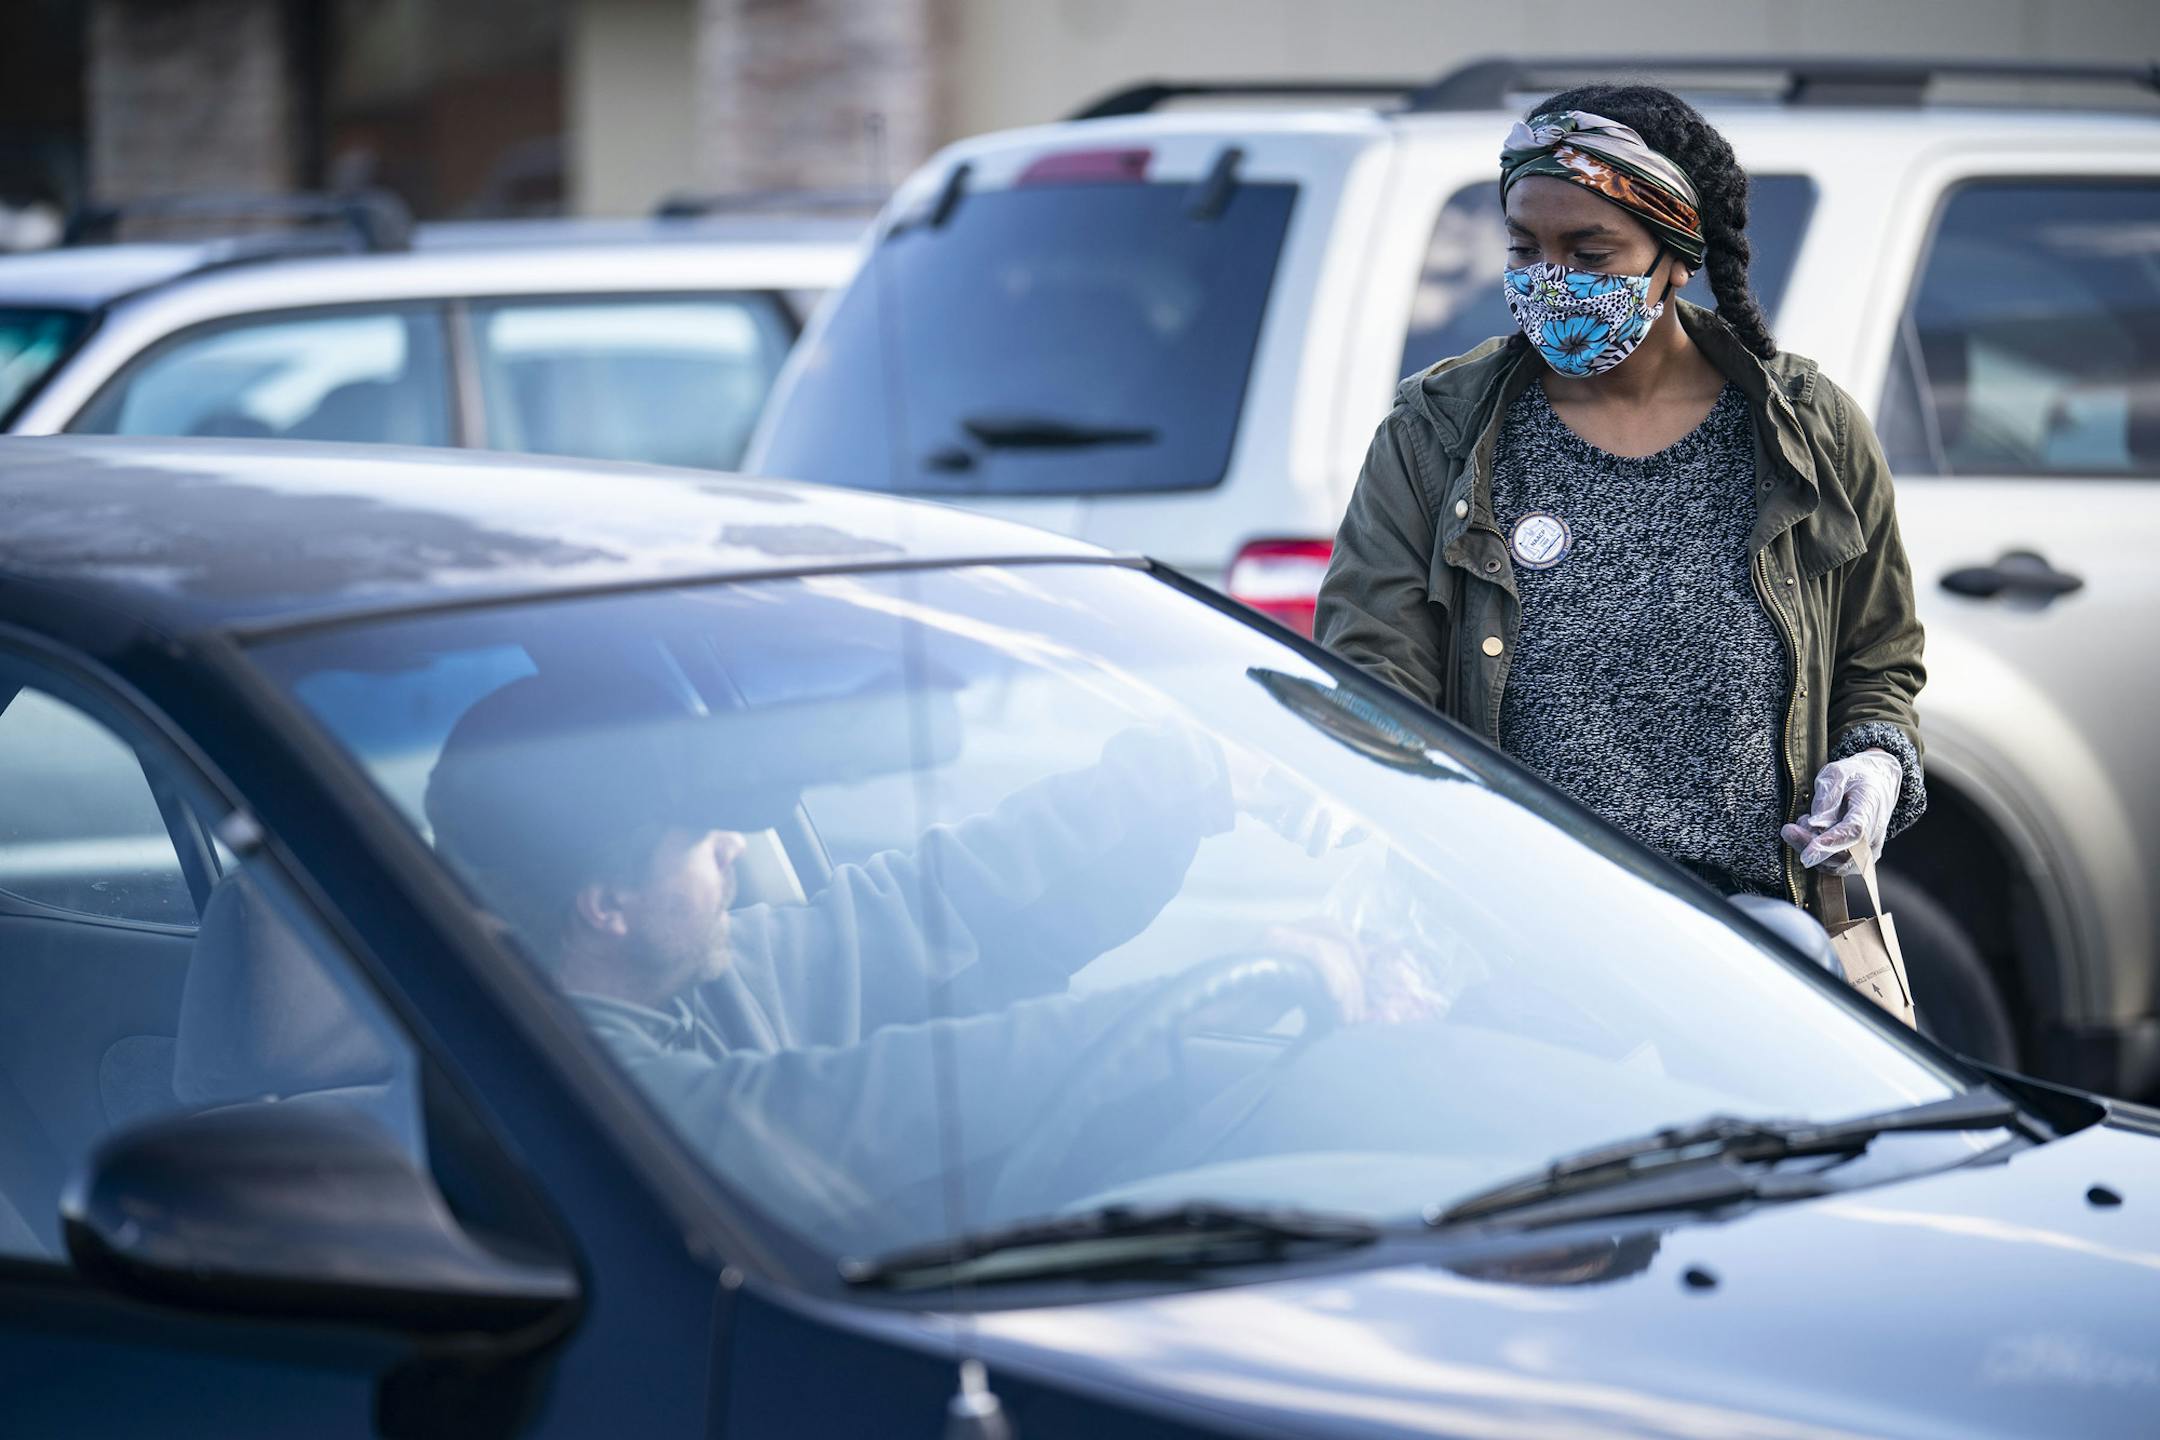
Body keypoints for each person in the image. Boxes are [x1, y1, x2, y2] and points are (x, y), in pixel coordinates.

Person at [421, 670, 1358, 1248]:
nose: (734, 849)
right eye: (701, 839)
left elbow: (916, 909)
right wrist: (1223, 996)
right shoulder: (580, 1097)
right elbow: (907, 1093)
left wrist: (1176, 783)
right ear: (608, 905)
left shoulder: (689, 973)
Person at [1316, 85, 1926, 912]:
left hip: (1749, 932)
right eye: (1524, 247)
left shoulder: (1808, 431)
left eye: (1589, 251)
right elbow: (1372, 666)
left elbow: (1877, 657)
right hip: (1513, 923)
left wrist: (1876, 761)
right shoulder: (1436, 433)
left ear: (1676, 254)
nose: (1549, 280)